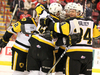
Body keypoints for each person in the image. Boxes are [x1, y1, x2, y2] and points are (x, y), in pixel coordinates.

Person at [40, 2, 100, 75]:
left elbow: (57, 27)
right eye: (69, 11)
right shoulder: (91, 22)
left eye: (73, 11)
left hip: (74, 54)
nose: (70, 13)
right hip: (88, 55)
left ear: (79, 12)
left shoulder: (71, 22)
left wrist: (47, 22)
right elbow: (97, 34)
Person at [27, 2, 63, 75]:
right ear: (57, 12)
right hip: (47, 47)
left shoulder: (44, 13)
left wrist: (45, 10)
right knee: (46, 73)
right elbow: (58, 39)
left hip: (34, 43)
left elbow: (38, 5)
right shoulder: (58, 23)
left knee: (33, 72)